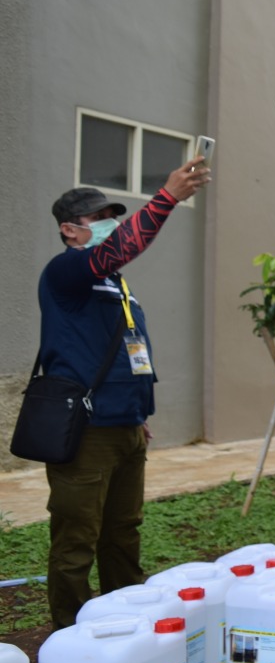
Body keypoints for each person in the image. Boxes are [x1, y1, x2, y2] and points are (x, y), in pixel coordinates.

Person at [40, 160, 211, 628]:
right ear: (70, 230)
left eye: (112, 216)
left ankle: (127, 622)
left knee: (122, 534)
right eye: (99, 219)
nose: (110, 225)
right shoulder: (68, 272)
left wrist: (137, 412)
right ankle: (71, 635)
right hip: (86, 432)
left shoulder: (115, 285)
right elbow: (117, 249)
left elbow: (119, 353)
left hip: (127, 427)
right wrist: (168, 196)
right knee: (76, 539)